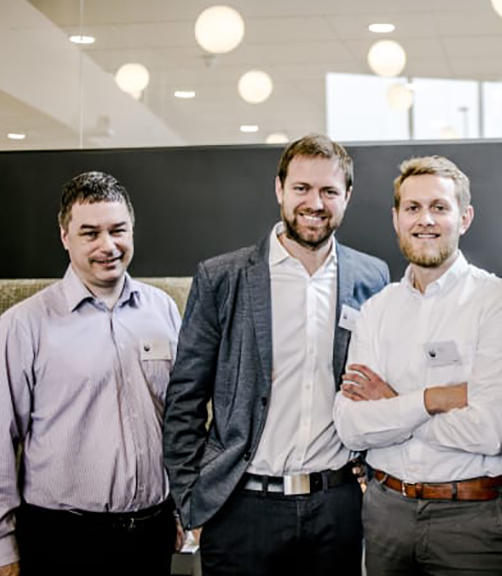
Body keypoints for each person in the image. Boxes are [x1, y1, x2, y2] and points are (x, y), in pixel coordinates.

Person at [163, 135, 389, 576]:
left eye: (329, 191)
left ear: (347, 196)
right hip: (241, 507)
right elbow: (184, 399)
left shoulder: (371, 276)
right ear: (279, 189)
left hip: (337, 507)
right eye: (302, 188)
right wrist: (191, 498)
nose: (315, 203)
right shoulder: (222, 277)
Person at [0, 171, 182, 576]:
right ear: (65, 236)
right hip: (62, 539)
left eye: (118, 230)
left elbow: (177, 420)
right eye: (90, 233)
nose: (108, 245)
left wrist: (180, 509)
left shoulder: (163, 310)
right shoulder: (24, 325)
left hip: (152, 534)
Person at [333, 155, 502, 575]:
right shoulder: (376, 310)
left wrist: (392, 404)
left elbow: (491, 430)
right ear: (396, 218)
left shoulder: (499, 302)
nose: (425, 219)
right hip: (386, 513)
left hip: (473, 520)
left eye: (439, 207)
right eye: (413, 207)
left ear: (464, 218)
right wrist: (433, 399)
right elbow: (352, 427)